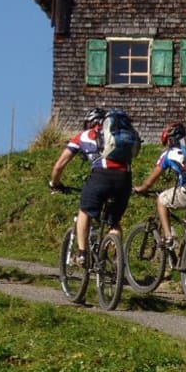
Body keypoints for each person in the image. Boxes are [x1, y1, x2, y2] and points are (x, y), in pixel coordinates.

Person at [48, 107, 134, 265]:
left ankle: (81, 253)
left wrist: (54, 183)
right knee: (114, 222)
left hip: (100, 176)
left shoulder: (83, 136)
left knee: (84, 211)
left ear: (91, 122)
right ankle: (116, 259)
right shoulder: (120, 135)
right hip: (124, 178)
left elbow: (59, 165)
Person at [134, 122, 186, 251]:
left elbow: (150, 182)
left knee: (161, 200)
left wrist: (141, 188)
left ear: (168, 140)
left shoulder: (169, 153)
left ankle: (168, 237)